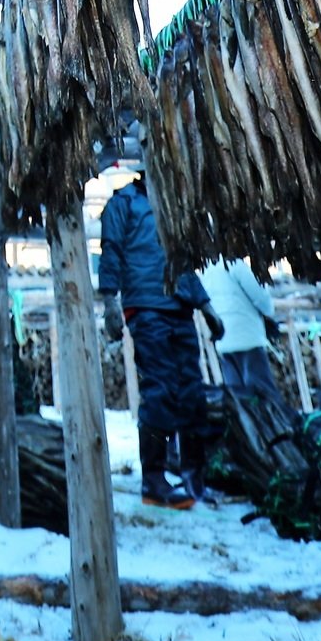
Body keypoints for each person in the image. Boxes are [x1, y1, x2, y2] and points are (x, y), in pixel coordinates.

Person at [97, 173, 223, 508]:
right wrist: (109, 300)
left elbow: (184, 262)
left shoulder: (172, 203)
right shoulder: (123, 202)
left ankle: (193, 477)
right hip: (146, 307)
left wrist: (206, 306)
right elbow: (110, 251)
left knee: (192, 392)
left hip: (180, 307)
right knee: (161, 390)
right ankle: (153, 480)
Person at [200, 259, 282, 402]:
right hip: (247, 337)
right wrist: (269, 311)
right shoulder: (235, 264)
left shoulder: (205, 269)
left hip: (224, 341)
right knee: (264, 395)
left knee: (238, 397)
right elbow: (260, 297)